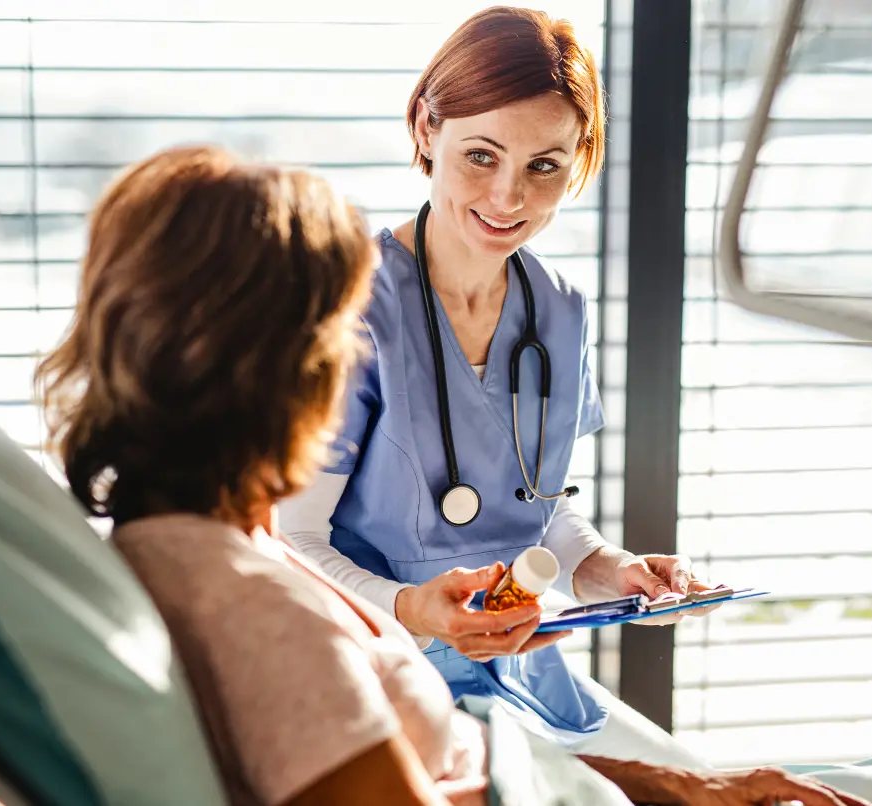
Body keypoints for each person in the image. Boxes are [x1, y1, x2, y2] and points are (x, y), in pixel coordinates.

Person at [35, 144, 870, 806]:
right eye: (343, 336)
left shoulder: (202, 548)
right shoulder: (261, 622)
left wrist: (674, 787)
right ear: (286, 371)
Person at [280, 5, 715, 756]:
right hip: (380, 674)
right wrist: (415, 608)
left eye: (544, 165)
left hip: (521, 666)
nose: (509, 198)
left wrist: (612, 571)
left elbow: (533, 513)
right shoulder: (350, 305)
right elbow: (293, 542)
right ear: (426, 128)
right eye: (482, 155)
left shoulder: (560, 313)